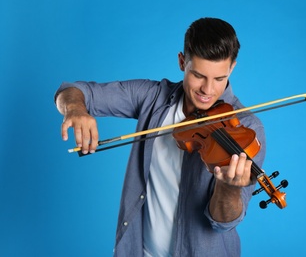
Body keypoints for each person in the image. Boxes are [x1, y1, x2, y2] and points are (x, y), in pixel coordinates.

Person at [55, 17, 266, 257]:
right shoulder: (151, 97)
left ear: (232, 68)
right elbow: (73, 90)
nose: (208, 90)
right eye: (198, 75)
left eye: (219, 78)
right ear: (181, 62)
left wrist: (228, 188)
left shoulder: (246, 129)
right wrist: (76, 109)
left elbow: (223, 222)